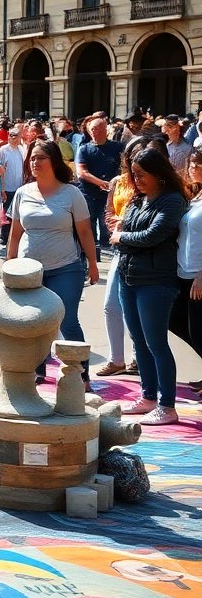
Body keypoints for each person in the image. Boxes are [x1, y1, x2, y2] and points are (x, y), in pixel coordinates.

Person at [6, 140, 99, 385]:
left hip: (66, 268)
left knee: (67, 319)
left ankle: (81, 372)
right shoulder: (23, 192)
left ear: (54, 161)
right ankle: (38, 368)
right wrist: (9, 264)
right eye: (32, 158)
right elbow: (15, 233)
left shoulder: (71, 193)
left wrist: (92, 262)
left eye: (41, 158)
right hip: (29, 271)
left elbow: (86, 231)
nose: (35, 163)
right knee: (34, 320)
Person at [111, 148, 187, 426]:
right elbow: (131, 232)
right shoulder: (138, 199)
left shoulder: (172, 200)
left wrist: (121, 235)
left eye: (142, 174)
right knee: (139, 342)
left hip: (156, 281)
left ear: (158, 173)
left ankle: (167, 405)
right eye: (134, 174)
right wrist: (121, 232)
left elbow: (153, 235)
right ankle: (148, 398)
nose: (137, 179)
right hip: (129, 278)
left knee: (157, 344)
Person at [98, 137, 150, 377]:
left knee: (136, 309)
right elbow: (109, 208)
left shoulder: (146, 184)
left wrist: (124, 224)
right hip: (119, 247)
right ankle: (116, 359)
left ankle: (138, 359)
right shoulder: (118, 182)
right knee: (111, 305)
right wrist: (112, 222)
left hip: (140, 249)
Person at [170, 148, 202, 397]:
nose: (192, 168)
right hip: (183, 272)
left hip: (198, 275)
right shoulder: (195, 194)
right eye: (191, 163)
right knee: (174, 320)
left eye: (198, 164)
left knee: (197, 331)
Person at [75, 118, 123, 258]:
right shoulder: (84, 149)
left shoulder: (117, 147)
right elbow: (82, 172)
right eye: (91, 129)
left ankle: (110, 250)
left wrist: (115, 183)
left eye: (96, 128)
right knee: (88, 224)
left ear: (105, 129)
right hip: (89, 193)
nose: (93, 131)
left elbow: (124, 167)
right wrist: (101, 183)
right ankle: (90, 253)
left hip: (112, 194)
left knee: (108, 224)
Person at [0, 128, 27, 246]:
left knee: (17, 213)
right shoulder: (4, 150)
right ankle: (4, 236)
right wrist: (2, 188)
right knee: (7, 212)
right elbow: (2, 169)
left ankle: (14, 236)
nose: (14, 138)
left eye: (17, 136)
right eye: (12, 136)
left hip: (19, 186)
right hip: (8, 186)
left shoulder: (21, 149)